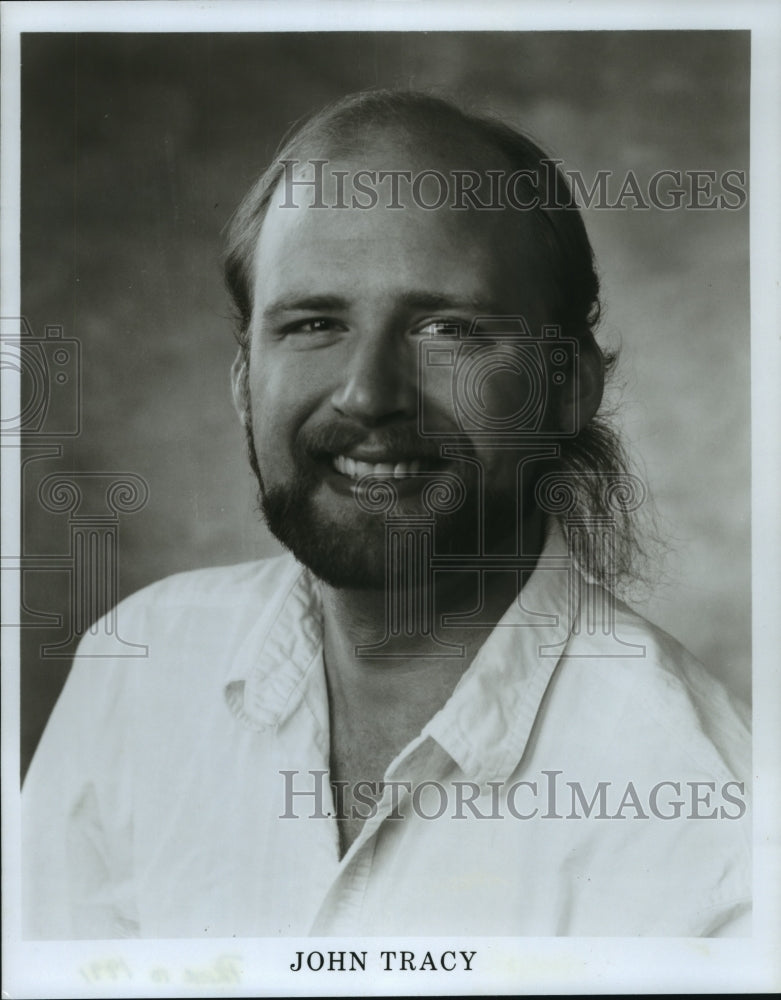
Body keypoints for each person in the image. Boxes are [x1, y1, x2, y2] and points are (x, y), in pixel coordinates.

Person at [22, 90, 750, 938]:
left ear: (567, 387)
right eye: (313, 323)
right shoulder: (138, 667)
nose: (368, 394)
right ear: (240, 380)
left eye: (447, 326)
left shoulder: (717, 824)